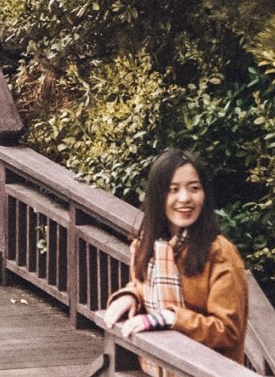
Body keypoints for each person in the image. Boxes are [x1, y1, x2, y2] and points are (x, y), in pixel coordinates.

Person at [101, 150, 249, 362]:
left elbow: (227, 331)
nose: (185, 198)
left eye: (194, 188)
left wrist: (172, 318)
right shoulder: (147, 247)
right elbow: (143, 287)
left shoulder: (219, 253)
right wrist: (130, 295)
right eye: (173, 190)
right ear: (158, 196)